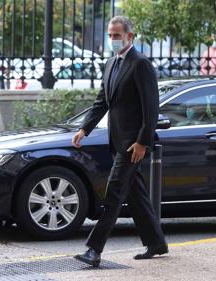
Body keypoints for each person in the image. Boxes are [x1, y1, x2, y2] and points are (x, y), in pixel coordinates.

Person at [72, 16, 168, 267]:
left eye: (117, 35)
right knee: (136, 194)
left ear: (130, 37)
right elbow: (102, 102)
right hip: (116, 142)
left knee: (113, 193)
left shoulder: (141, 64)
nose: (113, 39)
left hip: (132, 146)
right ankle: (156, 242)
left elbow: (151, 109)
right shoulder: (110, 63)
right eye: (110, 35)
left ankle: (94, 250)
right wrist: (84, 129)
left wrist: (142, 142)